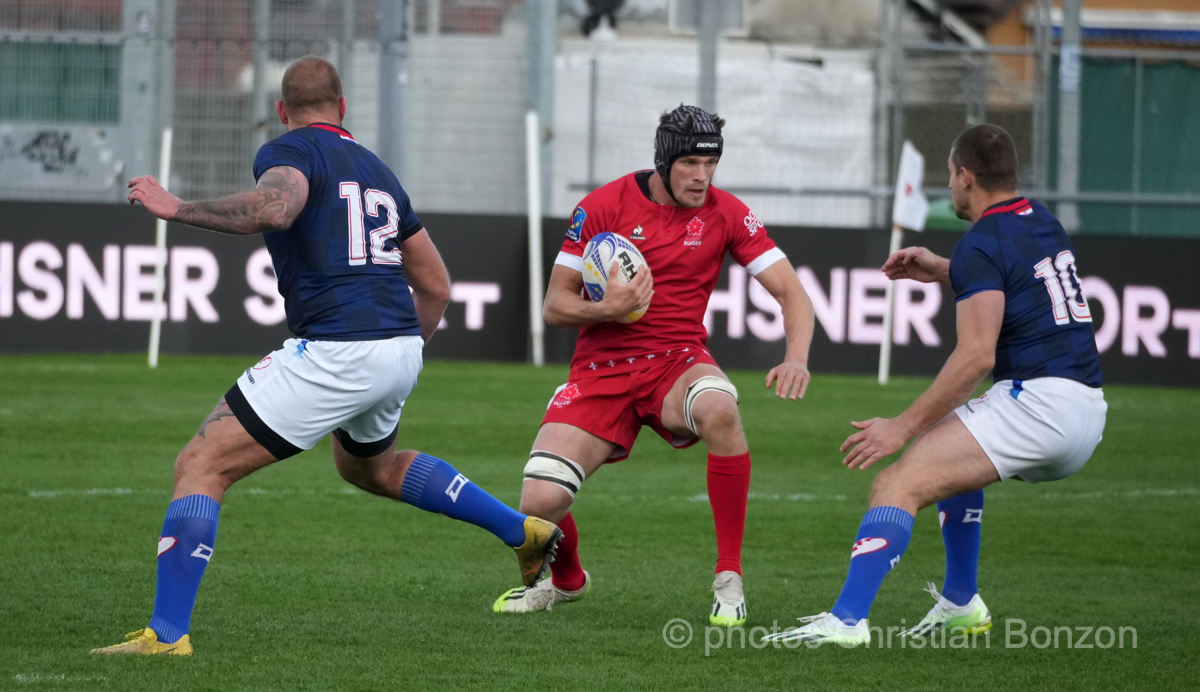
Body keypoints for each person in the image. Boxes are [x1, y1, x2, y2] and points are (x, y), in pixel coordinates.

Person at [92, 57, 561, 656]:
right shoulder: (379, 172)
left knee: (201, 465)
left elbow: (276, 208)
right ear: (344, 110)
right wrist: (400, 350)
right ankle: (520, 531)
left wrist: (176, 206)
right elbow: (438, 286)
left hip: (339, 349)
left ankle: (165, 635)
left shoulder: (289, 151)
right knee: (368, 466)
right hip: (397, 348)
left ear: (283, 112)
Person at [764, 124, 1107, 646]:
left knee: (896, 483)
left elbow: (974, 359)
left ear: (966, 176)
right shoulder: (1041, 220)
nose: (948, 187)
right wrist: (946, 269)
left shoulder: (980, 242)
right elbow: (1017, 279)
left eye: (949, 175)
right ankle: (962, 603)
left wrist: (899, 427)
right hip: (1086, 407)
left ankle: (846, 622)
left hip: (1038, 406)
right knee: (953, 456)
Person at [492, 105, 816, 625]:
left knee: (721, 408)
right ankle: (569, 579)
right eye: (690, 163)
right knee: (538, 502)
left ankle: (728, 577)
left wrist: (796, 356)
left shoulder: (727, 212)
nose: (702, 176)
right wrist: (607, 309)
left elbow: (792, 293)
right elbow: (554, 305)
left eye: (711, 165)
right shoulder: (601, 206)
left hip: (677, 361)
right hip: (601, 371)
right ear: (664, 160)